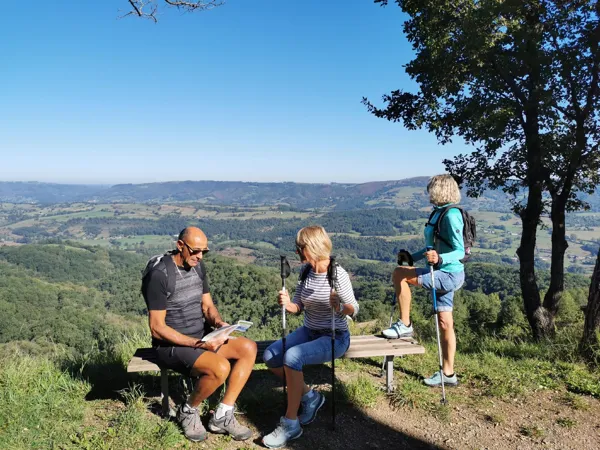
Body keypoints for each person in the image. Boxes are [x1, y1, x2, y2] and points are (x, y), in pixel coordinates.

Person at [141, 226, 257, 443]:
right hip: (170, 346)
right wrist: (198, 344)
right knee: (220, 368)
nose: (200, 256)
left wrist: (220, 324)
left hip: (201, 339)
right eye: (195, 251)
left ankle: (222, 415)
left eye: (204, 251)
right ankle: (188, 410)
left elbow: (207, 306)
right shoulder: (159, 276)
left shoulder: (198, 267)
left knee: (248, 348)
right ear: (180, 246)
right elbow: (157, 327)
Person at [262, 226, 359, 449]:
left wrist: (340, 306)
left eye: (300, 247)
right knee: (270, 356)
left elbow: (354, 309)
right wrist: (288, 304)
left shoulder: (337, 274)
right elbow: (298, 306)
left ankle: (290, 423)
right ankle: (310, 397)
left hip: (336, 336)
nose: (297, 252)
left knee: (292, 356)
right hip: (310, 330)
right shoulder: (306, 272)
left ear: (311, 247)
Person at [381, 174, 465, 387]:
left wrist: (440, 258)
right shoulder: (439, 213)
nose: (428, 192)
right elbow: (433, 247)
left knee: (400, 274)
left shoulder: (451, 215)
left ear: (440, 190)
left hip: (448, 274)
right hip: (442, 271)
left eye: (431, 189)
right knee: (445, 323)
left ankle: (405, 324)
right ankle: (448, 373)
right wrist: (413, 258)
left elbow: (460, 250)